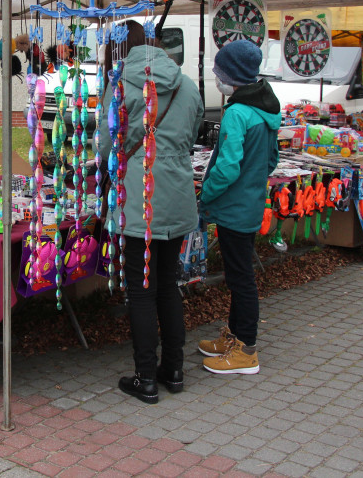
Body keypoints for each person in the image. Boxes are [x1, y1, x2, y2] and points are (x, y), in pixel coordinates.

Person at [96, 21, 203, 403]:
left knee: (141, 292)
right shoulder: (186, 83)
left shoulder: (120, 84)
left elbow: (107, 144)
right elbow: (192, 135)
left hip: (138, 200)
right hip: (175, 193)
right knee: (168, 285)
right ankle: (173, 370)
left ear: (118, 49)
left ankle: (145, 378)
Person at [198, 39, 281, 375]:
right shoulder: (268, 108)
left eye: (220, 72)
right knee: (239, 275)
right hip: (249, 204)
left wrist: (206, 195)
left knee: (241, 279)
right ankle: (234, 336)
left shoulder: (238, 113)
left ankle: (246, 351)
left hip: (233, 208)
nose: (217, 78)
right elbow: (271, 160)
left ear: (231, 75)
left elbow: (227, 167)